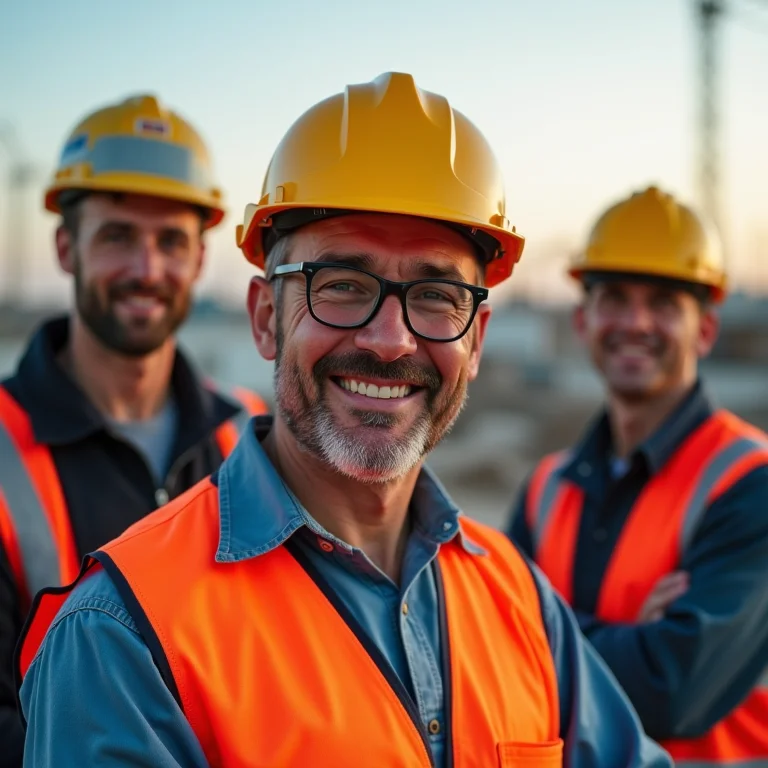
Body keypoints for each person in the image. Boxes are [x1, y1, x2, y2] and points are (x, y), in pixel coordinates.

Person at [18, 73, 670, 767]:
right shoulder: (123, 635)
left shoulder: (519, 596)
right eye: (342, 287)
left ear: (475, 341)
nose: (390, 341)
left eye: (435, 296)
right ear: (267, 318)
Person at [0, 94, 266, 764]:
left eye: (171, 241)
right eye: (118, 236)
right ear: (67, 248)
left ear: (200, 260)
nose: (147, 270)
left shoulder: (254, 438)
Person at [507, 185, 768, 765]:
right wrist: (630, 636)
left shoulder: (751, 483)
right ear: (583, 319)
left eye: (664, 303)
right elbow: (489, 650)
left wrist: (548, 633)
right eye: (615, 297)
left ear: (705, 329)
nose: (636, 322)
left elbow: (671, 693)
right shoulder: (545, 489)